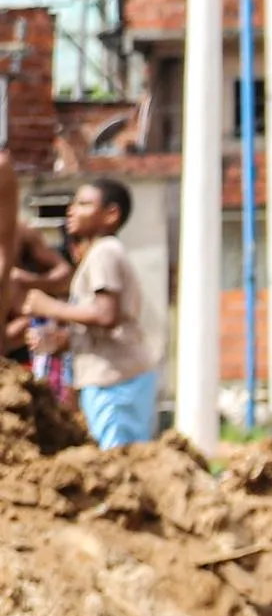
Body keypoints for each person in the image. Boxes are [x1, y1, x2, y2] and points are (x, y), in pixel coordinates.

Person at [14, 178, 157, 445]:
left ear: (110, 214)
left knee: (117, 463)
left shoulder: (105, 252)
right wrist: (62, 341)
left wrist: (50, 306)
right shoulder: (100, 254)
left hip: (115, 380)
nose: (72, 210)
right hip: (108, 378)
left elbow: (106, 315)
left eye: (84, 204)